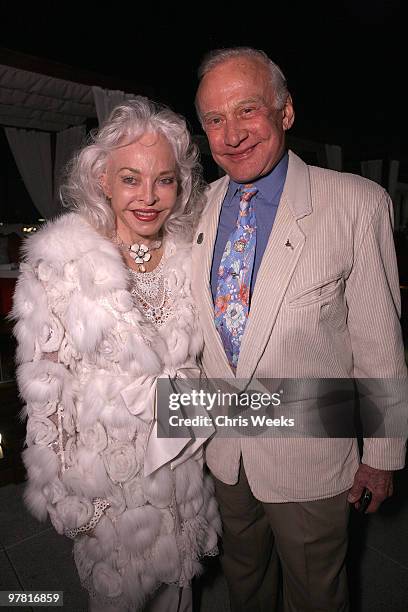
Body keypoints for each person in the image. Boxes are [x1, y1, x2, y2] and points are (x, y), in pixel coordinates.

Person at [192, 47, 407, 611]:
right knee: (246, 586)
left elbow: (380, 342)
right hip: (225, 454)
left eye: (247, 111)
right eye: (214, 120)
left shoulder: (356, 204)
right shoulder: (197, 208)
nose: (231, 133)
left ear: (285, 113)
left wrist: (382, 455)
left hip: (311, 456)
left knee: (317, 596)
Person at [11, 98, 220, 612]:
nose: (148, 197)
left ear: (181, 184)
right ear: (103, 179)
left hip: (182, 473)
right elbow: (44, 389)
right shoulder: (60, 265)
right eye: (131, 179)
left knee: (180, 597)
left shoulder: (193, 254)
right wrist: (64, 497)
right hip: (108, 485)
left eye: (164, 180)